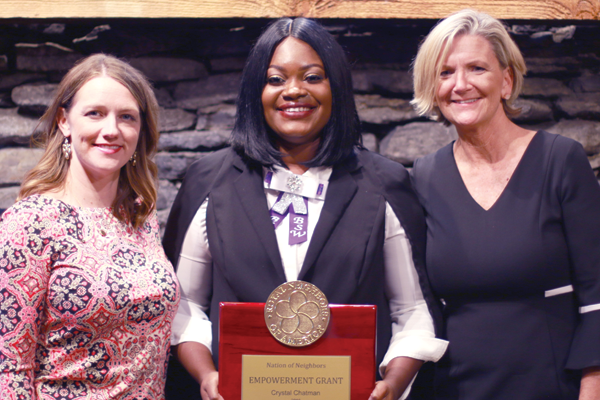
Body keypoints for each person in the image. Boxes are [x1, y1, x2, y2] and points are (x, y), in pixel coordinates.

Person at [163, 17, 447, 400]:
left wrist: (392, 385)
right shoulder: (209, 181)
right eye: (275, 79)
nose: (293, 91)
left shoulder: (384, 183)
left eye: (312, 77)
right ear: (254, 91)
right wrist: (207, 374)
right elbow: (184, 304)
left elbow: (413, 309)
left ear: (337, 88)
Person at [410, 9, 600, 400]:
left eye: (477, 68)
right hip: (454, 387)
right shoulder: (425, 176)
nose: (460, 85)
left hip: (552, 384)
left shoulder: (560, 159)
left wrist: (593, 386)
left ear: (506, 81)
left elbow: (597, 290)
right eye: (445, 73)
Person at [0, 54, 180, 399]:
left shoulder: (139, 213)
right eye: (95, 113)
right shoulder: (30, 223)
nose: (111, 130)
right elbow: (10, 368)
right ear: (64, 121)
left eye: (127, 117)